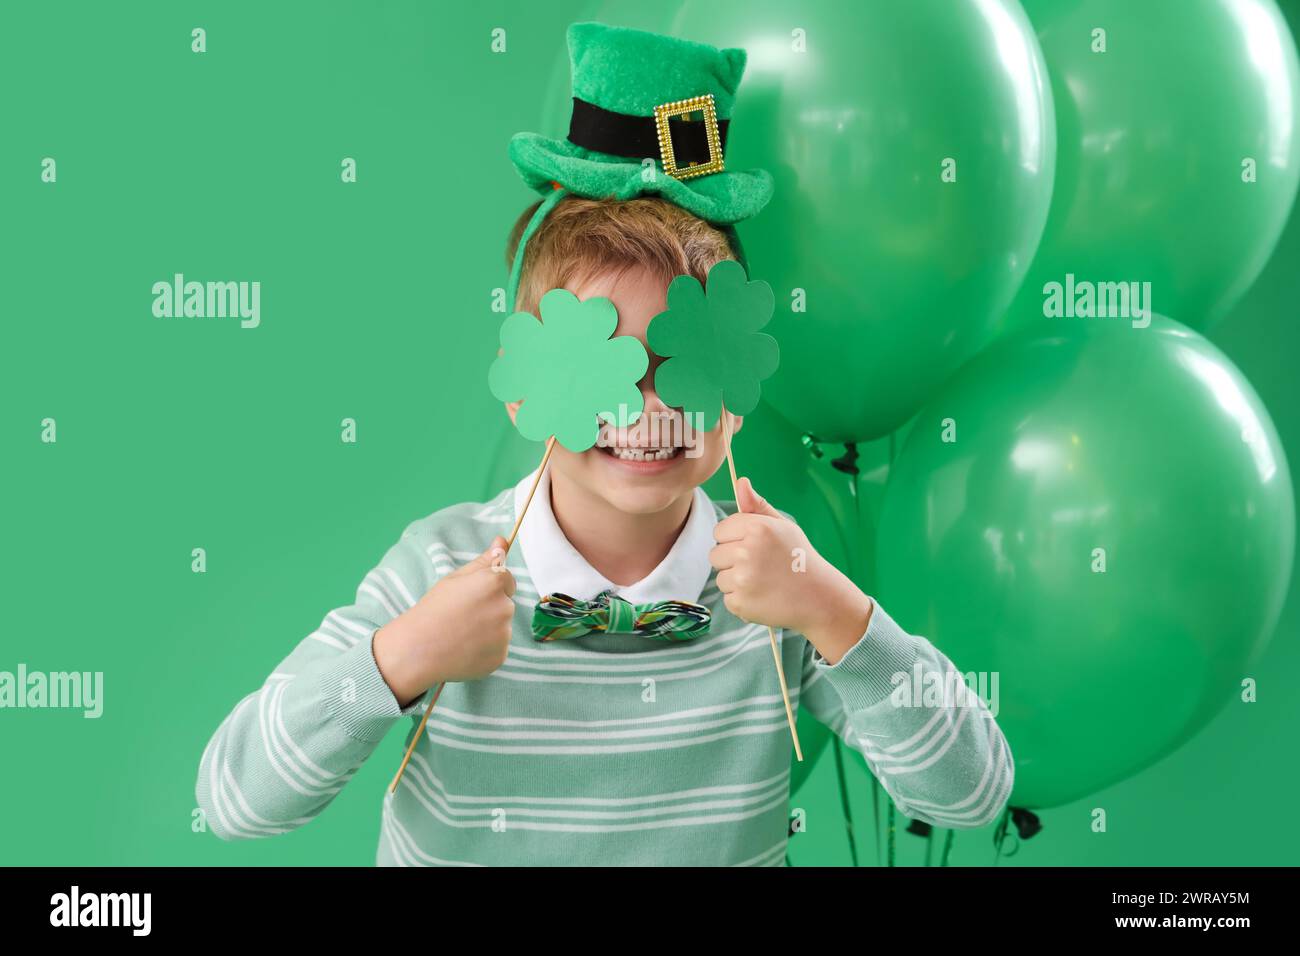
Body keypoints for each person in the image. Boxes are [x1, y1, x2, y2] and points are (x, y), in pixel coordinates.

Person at [195, 21, 1013, 866]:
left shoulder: (773, 594)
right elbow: (234, 800)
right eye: (597, 362)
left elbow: (974, 792)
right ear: (526, 375)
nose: (648, 407)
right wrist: (397, 661)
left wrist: (832, 608)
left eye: (687, 360)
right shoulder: (438, 571)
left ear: (740, 382)